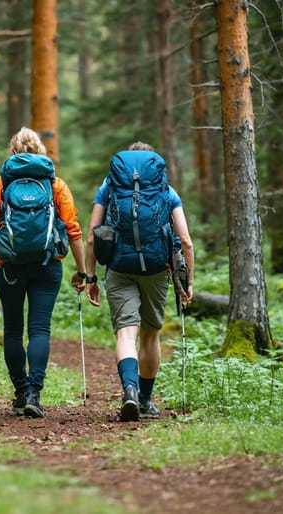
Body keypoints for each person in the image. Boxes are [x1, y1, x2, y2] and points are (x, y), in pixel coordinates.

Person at [0, 127, 89, 419]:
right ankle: (34, 394)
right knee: (39, 329)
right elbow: (73, 229)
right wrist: (83, 272)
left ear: (12, 152)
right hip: (47, 263)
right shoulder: (55, 184)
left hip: (8, 267)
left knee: (13, 330)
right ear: (41, 150)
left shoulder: (0, 185)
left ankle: (20, 390)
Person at [84, 141, 194, 422]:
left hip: (119, 267)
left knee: (126, 333)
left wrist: (91, 276)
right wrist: (187, 282)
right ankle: (145, 400)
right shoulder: (164, 191)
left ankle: (129, 391)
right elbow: (185, 242)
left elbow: (92, 236)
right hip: (156, 269)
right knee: (150, 334)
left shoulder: (109, 187)